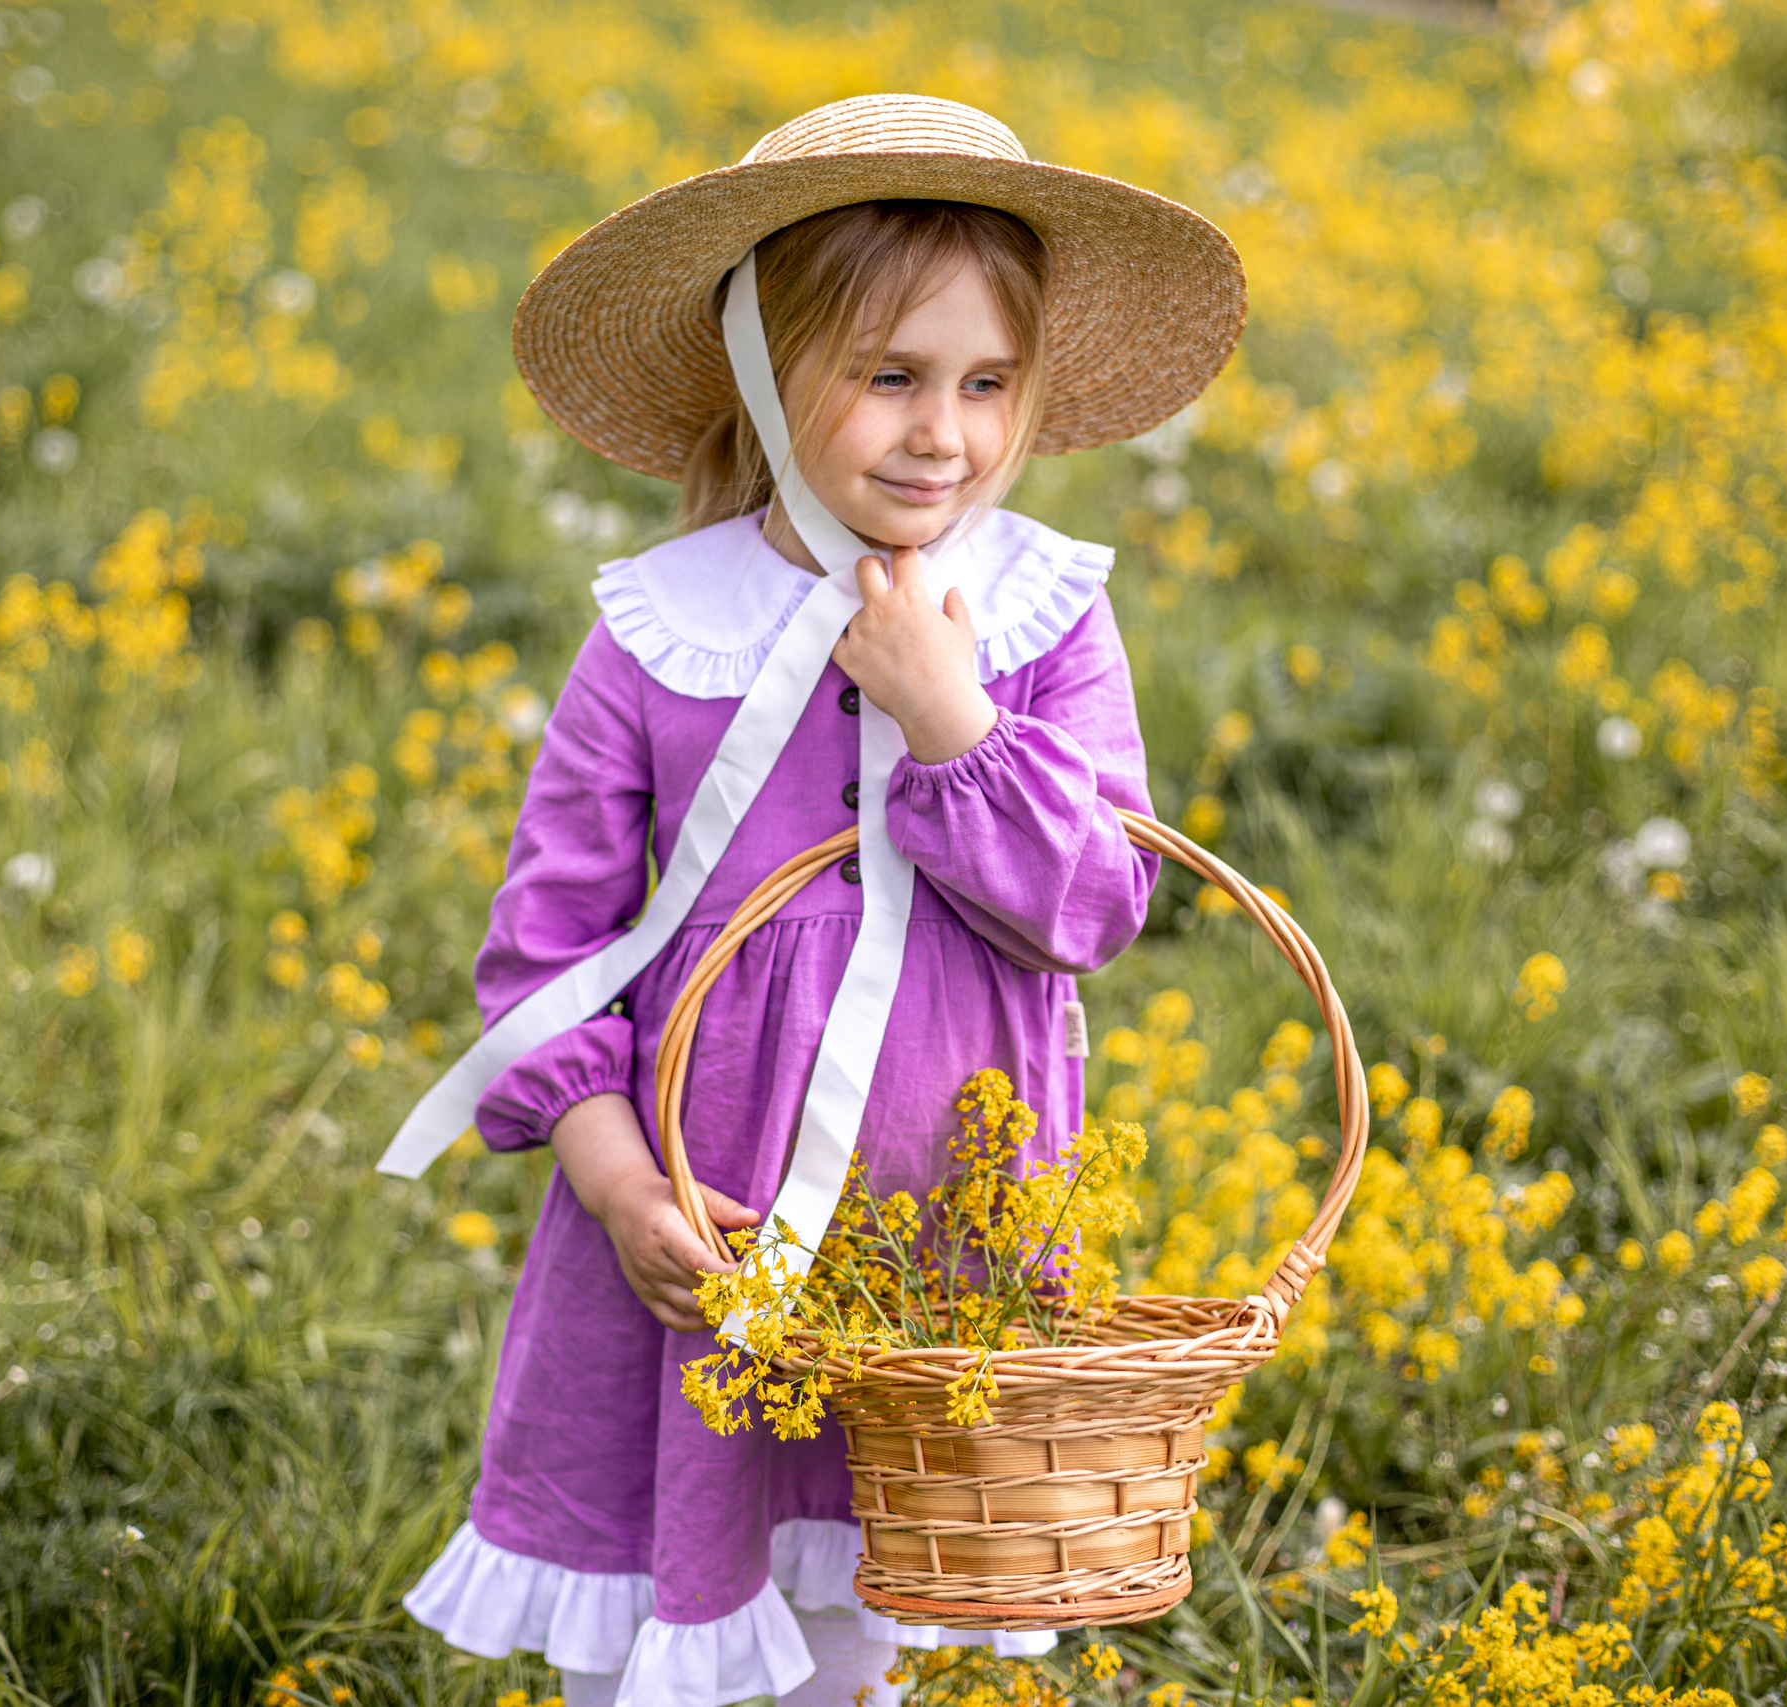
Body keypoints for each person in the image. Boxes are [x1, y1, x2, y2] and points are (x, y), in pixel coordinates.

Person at [379, 94, 1245, 1707]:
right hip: (698, 1222)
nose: (945, 434)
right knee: (682, 1602)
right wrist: (618, 1176)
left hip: (936, 1217)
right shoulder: (657, 629)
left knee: (867, 1610)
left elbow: (1098, 906)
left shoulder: (1041, 618)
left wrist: (951, 719)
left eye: (989, 384)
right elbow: (546, 957)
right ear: (774, 383)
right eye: (890, 377)